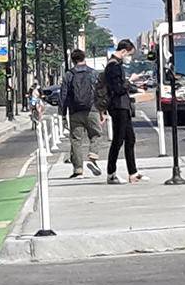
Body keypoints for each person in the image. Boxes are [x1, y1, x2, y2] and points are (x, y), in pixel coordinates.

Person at [104, 40, 145, 184]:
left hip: (123, 106)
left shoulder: (116, 66)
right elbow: (119, 89)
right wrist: (130, 80)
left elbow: (122, 86)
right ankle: (111, 173)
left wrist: (136, 88)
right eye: (130, 55)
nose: (130, 58)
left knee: (130, 139)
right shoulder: (113, 67)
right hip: (118, 107)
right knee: (118, 140)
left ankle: (133, 172)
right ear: (123, 51)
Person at [61, 49, 104, 179]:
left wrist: (63, 115)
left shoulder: (69, 75)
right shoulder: (93, 73)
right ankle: (93, 152)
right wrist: (102, 111)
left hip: (75, 112)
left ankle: (78, 169)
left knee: (76, 140)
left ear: (73, 60)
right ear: (84, 58)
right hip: (92, 109)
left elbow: (63, 95)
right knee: (96, 134)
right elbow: (99, 93)